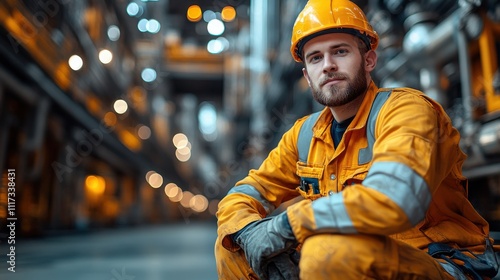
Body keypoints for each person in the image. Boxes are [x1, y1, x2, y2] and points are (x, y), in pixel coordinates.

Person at [214, 0, 499, 279]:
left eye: (340, 51)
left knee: (326, 249)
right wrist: (247, 231)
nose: (327, 66)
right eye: (316, 57)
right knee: (233, 248)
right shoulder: (303, 136)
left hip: (438, 262)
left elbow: (394, 199)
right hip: (351, 262)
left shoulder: (406, 110)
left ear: (368, 60)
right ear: (307, 76)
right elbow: (242, 195)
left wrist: (288, 224)